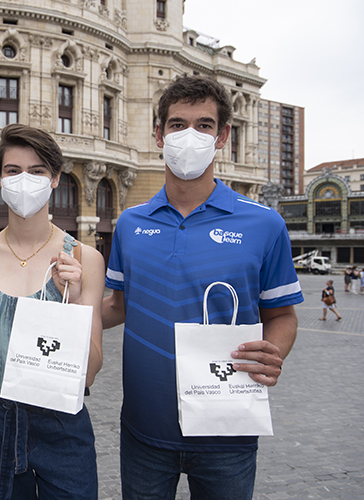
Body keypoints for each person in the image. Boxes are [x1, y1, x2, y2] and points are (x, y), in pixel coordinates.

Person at [101, 75, 303, 500]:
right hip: (144, 431)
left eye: (203, 125)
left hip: (228, 432)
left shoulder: (265, 224)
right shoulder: (130, 224)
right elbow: (117, 306)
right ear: (159, 134)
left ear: (222, 136)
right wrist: (44, 310)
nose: (189, 135)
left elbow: (282, 315)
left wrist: (273, 352)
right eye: (177, 124)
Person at [0, 124, 105, 499]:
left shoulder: (85, 259)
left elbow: (90, 370)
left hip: (61, 422)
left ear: (55, 179)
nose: (24, 180)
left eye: (37, 171)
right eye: (13, 170)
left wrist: (72, 302)